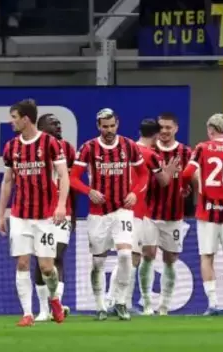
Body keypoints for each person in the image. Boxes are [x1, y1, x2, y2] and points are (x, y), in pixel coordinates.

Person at [70, 108, 148, 321]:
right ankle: (100, 305)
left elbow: (144, 175)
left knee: (125, 255)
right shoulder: (88, 148)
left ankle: (120, 301)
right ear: (98, 126)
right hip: (98, 214)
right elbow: (73, 178)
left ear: (117, 124)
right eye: (105, 127)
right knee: (98, 263)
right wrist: (89, 191)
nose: (109, 130)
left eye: (112, 126)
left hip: (123, 210)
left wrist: (134, 193)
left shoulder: (128, 146)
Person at [0, 99, 69, 327]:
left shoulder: (50, 143)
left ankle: (54, 299)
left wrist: (61, 205)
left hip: (45, 216)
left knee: (47, 267)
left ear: (26, 119)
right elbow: (8, 181)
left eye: (14, 117)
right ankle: (27, 313)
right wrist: (1, 213)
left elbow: (64, 176)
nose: (11, 122)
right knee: (22, 263)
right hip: (20, 215)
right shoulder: (11, 147)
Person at [105, 118, 178, 314]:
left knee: (128, 256)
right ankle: (115, 301)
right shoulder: (150, 154)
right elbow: (163, 181)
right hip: (136, 211)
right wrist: (169, 171)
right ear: (156, 135)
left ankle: (119, 301)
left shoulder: (125, 149)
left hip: (119, 208)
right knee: (131, 257)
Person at [182, 114, 223, 316]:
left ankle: (213, 304)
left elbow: (187, 173)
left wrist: (187, 187)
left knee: (207, 256)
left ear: (211, 130)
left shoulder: (202, 148)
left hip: (208, 210)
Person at [140, 113, 191, 316]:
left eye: (168, 127)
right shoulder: (149, 151)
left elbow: (192, 176)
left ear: (176, 128)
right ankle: (146, 303)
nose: (164, 131)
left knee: (170, 260)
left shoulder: (185, 152)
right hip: (150, 213)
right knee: (148, 255)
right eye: (161, 127)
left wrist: (188, 188)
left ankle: (164, 306)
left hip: (174, 215)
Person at [33, 113, 76, 321]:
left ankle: (55, 304)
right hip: (39, 213)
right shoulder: (33, 148)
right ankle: (43, 310)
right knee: (41, 260)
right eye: (53, 123)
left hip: (62, 212)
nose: (58, 126)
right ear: (41, 127)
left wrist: (73, 215)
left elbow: (72, 182)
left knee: (56, 255)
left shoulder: (68, 149)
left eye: (59, 123)